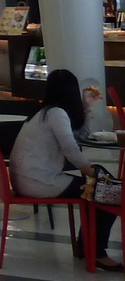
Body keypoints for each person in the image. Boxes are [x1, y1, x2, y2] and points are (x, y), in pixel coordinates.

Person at [10, 68, 120, 270]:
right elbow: (70, 148)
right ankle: (96, 253)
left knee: (99, 188)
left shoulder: (46, 112)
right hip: (38, 181)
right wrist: (91, 172)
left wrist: (86, 107)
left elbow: (77, 137)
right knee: (109, 194)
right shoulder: (56, 113)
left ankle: (86, 248)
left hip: (30, 177)